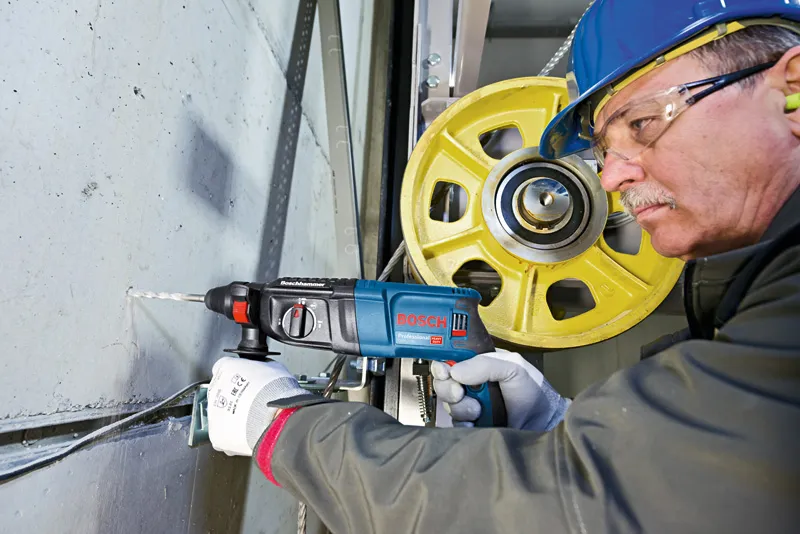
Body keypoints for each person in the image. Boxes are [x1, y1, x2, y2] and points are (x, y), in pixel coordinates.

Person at [207, 1, 800, 531]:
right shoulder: (758, 308)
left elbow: (571, 513)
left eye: (642, 123)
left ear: (792, 87)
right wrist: (558, 426)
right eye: (603, 152)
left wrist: (283, 430)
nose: (612, 179)